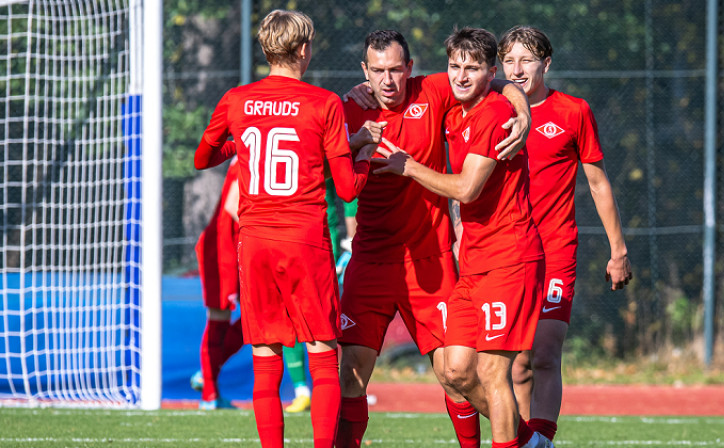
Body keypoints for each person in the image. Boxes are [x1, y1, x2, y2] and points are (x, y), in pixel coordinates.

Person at [336, 30, 532, 448]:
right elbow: (321, 165)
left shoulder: (433, 88)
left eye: (395, 70)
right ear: (364, 72)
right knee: (350, 372)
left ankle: (510, 440)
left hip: (431, 257)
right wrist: (352, 143)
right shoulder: (347, 109)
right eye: (378, 71)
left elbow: (494, 80)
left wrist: (524, 113)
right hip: (370, 260)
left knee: (455, 373)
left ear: (410, 69)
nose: (388, 81)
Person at [194, 9, 376, 448]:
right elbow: (349, 189)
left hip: (254, 241)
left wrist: (240, 142)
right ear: (303, 49)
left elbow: (203, 157)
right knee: (320, 352)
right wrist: (366, 150)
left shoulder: (237, 100)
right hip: (305, 240)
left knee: (265, 356)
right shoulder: (323, 102)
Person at [498, 26, 633, 447]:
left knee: (545, 350)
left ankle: (543, 439)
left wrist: (618, 250)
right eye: (509, 61)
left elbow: (598, 184)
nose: (517, 70)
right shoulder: (489, 110)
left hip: (556, 248)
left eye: (527, 60)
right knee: (517, 364)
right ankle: (522, 438)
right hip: (505, 251)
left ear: (546, 64)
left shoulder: (573, 111)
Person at [190, 158, 244, 410]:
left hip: (235, 247)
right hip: (222, 249)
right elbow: (234, 204)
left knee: (261, 315)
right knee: (219, 318)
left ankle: (208, 380)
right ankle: (209, 394)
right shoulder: (251, 152)